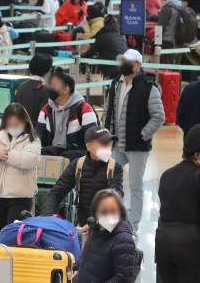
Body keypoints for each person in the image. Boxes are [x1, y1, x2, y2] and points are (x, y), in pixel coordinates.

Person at [104, 49, 165, 233]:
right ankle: (112, 220)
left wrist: (143, 134)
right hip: (117, 145)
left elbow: (159, 116)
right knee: (110, 182)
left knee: (137, 186)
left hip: (137, 146)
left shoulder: (148, 87)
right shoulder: (115, 83)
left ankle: (134, 226)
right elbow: (108, 111)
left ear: (138, 64)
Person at [156, 124, 200, 282]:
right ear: (198, 155)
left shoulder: (166, 174)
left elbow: (176, 199)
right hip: (190, 244)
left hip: (163, 240)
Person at [0, 103, 41, 241]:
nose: (13, 127)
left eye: (17, 124)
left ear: (25, 122)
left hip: (20, 198)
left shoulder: (32, 140)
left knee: (12, 240)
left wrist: (6, 155)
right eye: (10, 124)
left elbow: (30, 159)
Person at [45, 126, 124, 228]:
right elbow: (56, 193)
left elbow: (114, 199)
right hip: (83, 227)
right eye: (103, 143)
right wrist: (49, 218)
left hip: (108, 227)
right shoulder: (78, 165)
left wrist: (97, 224)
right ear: (89, 146)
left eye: (109, 143)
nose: (108, 146)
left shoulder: (115, 167)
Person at [72, 189, 136, 283]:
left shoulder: (123, 240)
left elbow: (123, 278)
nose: (110, 216)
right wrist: (76, 268)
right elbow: (85, 255)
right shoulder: (96, 229)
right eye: (104, 212)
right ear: (95, 215)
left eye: (114, 210)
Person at [36, 71, 97, 150]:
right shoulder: (46, 109)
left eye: (54, 85)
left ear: (66, 90)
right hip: (52, 158)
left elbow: (93, 141)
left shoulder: (84, 109)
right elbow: (39, 136)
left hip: (76, 159)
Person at [81, 14, 128, 80]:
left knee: (112, 87)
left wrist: (81, 60)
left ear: (105, 24)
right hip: (124, 65)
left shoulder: (103, 36)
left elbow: (92, 51)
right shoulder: (122, 35)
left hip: (111, 67)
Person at [15, 54, 54, 120]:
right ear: (47, 70)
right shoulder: (46, 89)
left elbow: (14, 108)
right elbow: (44, 116)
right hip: (36, 129)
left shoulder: (22, 85)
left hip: (21, 127)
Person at [156, 0, 182, 64]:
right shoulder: (178, 4)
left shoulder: (167, 8)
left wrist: (155, 39)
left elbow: (161, 26)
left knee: (165, 65)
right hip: (175, 38)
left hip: (166, 40)